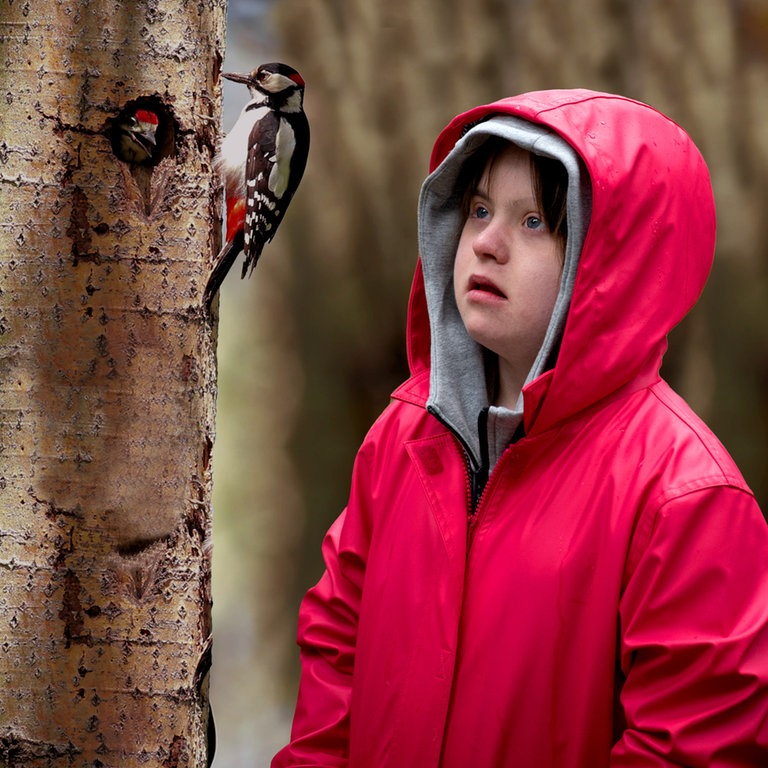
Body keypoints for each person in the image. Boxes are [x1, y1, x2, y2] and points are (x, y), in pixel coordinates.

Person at [272, 89, 768, 767]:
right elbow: (335, 665)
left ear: (613, 265)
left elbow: (690, 747)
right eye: (478, 209)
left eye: (534, 221)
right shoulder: (401, 440)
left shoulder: (686, 497)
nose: (486, 243)